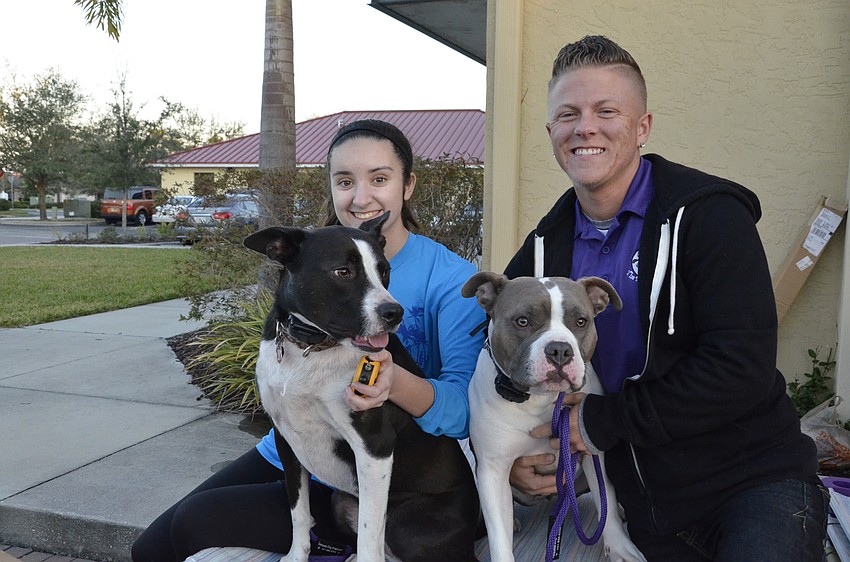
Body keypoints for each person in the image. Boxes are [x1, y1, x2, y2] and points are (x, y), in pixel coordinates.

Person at [504, 35, 827, 561]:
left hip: (750, 486)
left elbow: (739, 368)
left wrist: (599, 422)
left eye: (606, 110)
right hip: (641, 505)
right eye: (568, 114)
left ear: (642, 127)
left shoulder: (709, 217)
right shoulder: (545, 252)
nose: (585, 126)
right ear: (551, 132)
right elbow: (497, 358)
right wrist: (513, 457)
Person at [131, 119, 486, 561]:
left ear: (408, 184)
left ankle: (334, 542)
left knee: (196, 520)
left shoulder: (452, 280)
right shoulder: (312, 259)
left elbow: (464, 414)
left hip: (389, 481)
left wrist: (394, 382)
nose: (361, 197)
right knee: (151, 547)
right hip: (299, 452)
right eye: (344, 181)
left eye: (379, 178)